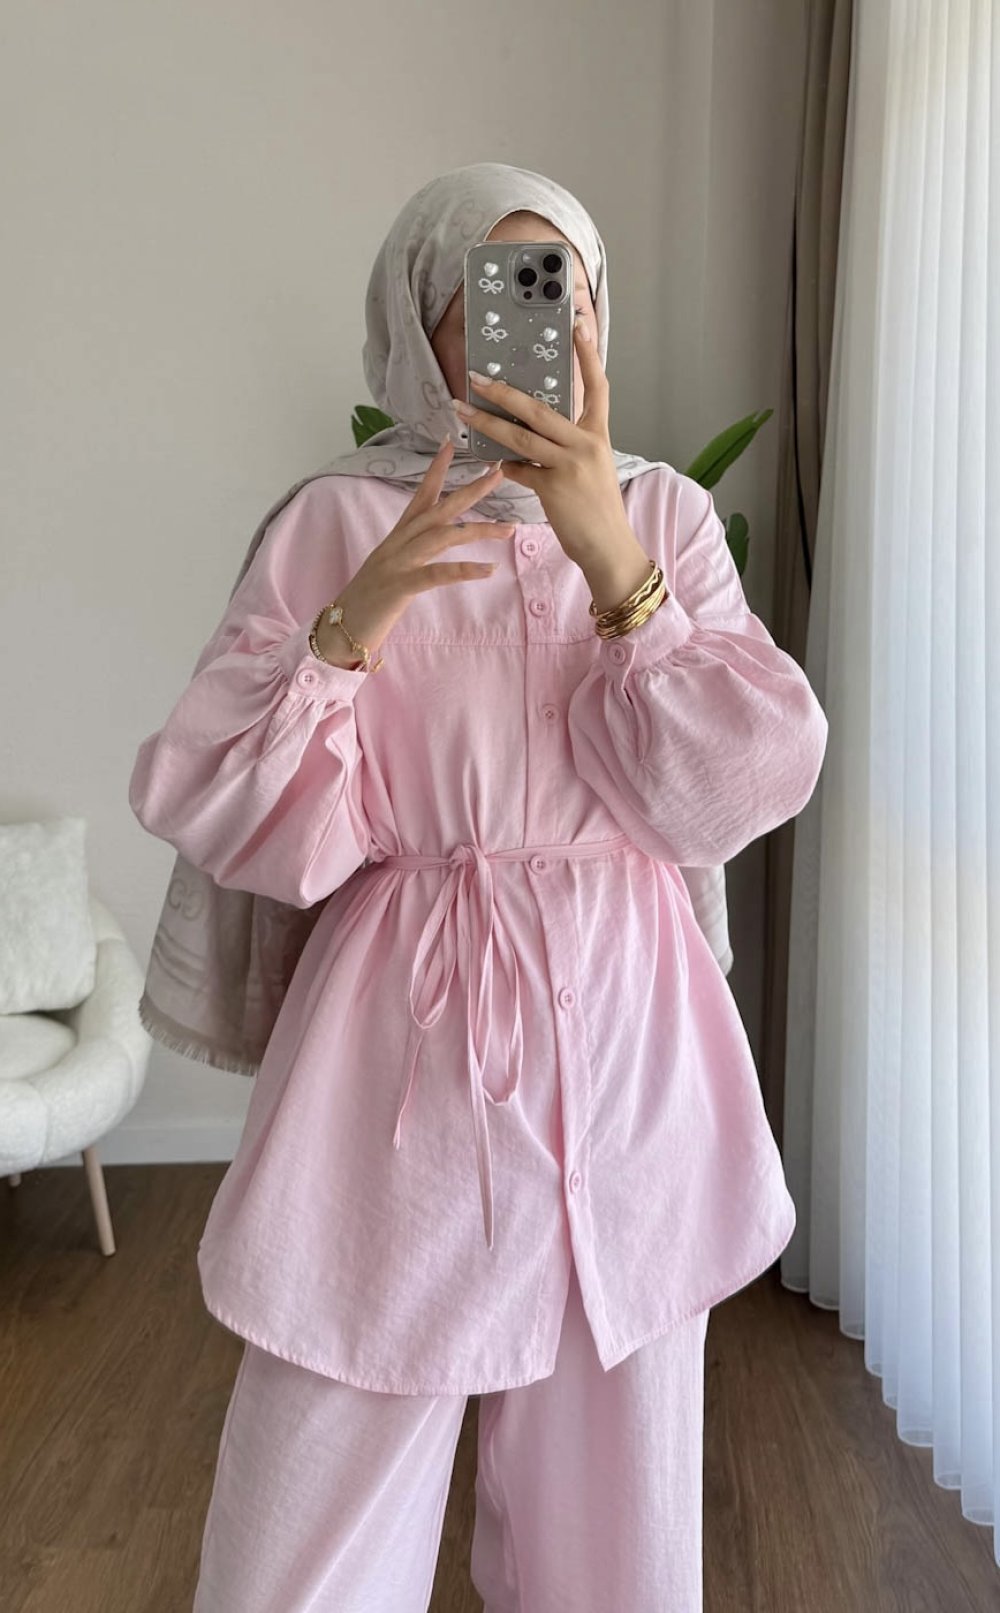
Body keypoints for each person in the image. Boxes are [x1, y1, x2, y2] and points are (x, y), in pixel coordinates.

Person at [128, 162, 828, 1612]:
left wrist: (609, 549)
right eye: (492, 293)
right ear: (420, 318)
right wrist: (354, 617)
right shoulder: (332, 520)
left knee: (619, 1522)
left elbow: (746, 780)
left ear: (596, 313)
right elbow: (229, 805)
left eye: (557, 289)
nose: (533, 327)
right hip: (402, 1049)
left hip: (630, 1053)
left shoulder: (664, 515)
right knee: (309, 1513)